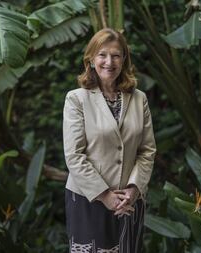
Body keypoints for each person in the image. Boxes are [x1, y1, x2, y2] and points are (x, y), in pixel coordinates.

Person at [63, 28, 156, 253]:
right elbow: (74, 155)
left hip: (129, 201)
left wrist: (134, 189)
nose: (109, 61)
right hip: (89, 199)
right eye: (102, 55)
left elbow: (147, 150)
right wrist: (105, 195)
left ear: (124, 59)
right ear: (91, 60)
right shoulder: (76, 99)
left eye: (116, 55)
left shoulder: (138, 98)